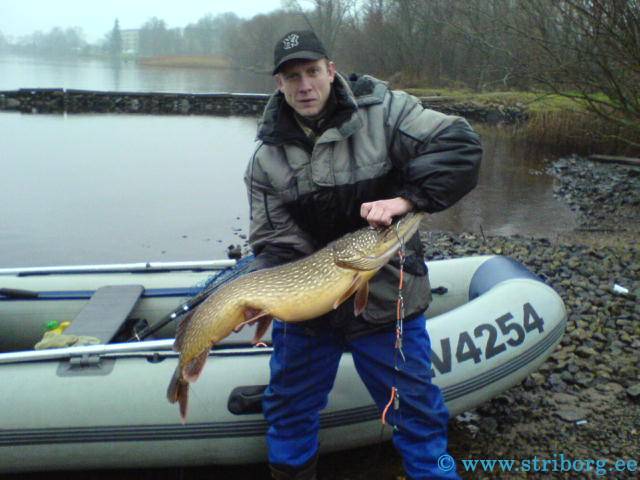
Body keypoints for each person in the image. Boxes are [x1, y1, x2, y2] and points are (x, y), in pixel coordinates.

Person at [244, 30, 482, 480]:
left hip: (387, 298)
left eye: (313, 71)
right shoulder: (266, 158)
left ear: (331, 70)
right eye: (292, 77)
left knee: (417, 414)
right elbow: (275, 243)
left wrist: (406, 199)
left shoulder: (385, 112)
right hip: (308, 310)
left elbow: (460, 145)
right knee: (289, 411)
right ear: (279, 84)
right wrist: (265, 290)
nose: (305, 86)